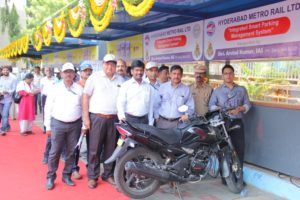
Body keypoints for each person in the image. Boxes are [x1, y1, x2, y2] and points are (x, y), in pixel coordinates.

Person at [83, 54, 124, 189]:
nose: (110, 66)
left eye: (112, 64)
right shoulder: (94, 78)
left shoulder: (121, 80)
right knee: (94, 149)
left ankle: (107, 174)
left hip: (113, 119)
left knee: (111, 149)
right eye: (107, 63)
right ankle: (92, 176)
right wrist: (86, 118)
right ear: (103, 64)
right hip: (97, 118)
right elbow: (85, 97)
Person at [44, 62, 83, 190]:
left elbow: (83, 108)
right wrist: (47, 126)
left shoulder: (79, 89)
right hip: (58, 124)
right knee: (55, 151)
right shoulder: (55, 88)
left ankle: (67, 175)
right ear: (61, 74)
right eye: (66, 72)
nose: (68, 74)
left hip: (75, 125)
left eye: (71, 72)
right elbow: (48, 107)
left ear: (74, 74)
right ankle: (51, 176)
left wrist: (83, 125)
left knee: (72, 152)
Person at [209, 64, 251, 168]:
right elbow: (211, 106)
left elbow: (247, 104)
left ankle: (239, 175)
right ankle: (226, 176)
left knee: (239, 148)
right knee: (224, 149)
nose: (228, 76)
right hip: (223, 124)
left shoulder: (241, 89)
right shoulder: (217, 91)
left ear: (233, 75)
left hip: (237, 122)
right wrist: (222, 111)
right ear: (222, 76)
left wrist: (240, 109)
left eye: (230, 73)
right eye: (225, 74)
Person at [72, 62, 93, 180]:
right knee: (77, 145)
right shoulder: (77, 86)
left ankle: (91, 167)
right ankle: (74, 168)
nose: (88, 72)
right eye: (85, 70)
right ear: (80, 73)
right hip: (78, 119)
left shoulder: (94, 85)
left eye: (90, 70)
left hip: (93, 118)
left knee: (92, 145)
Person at [156, 65, 194, 129]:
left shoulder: (186, 89)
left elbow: (190, 106)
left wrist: (187, 115)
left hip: (178, 123)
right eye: (174, 74)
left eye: (178, 74)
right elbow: (156, 103)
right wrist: (156, 116)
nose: (176, 76)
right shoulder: (163, 87)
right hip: (162, 121)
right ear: (170, 74)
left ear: (181, 75)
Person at [117, 60, 153, 125]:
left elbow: (150, 107)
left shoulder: (148, 87)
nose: (139, 72)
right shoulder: (125, 85)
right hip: (129, 120)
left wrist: (150, 123)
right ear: (132, 71)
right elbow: (120, 103)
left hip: (144, 120)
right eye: (137, 70)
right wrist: (122, 117)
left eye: (141, 70)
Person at [41, 67, 59, 164]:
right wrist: (47, 125)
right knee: (50, 137)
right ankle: (46, 156)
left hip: (63, 117)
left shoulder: (56, 81)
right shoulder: (43, 80)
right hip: (49, 104)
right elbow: (48, 109)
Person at [0, 66, 17, 136]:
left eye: (6, 70)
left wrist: (8, 92)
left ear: (9, 71)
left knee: (4, 114)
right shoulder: (0, 78)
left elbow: (14, 89)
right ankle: (7, 126)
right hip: (0, 98)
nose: (5, 71)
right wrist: (1, 92)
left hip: (8, 99)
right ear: (2, 71)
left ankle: (3, 129)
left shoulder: (13, 79)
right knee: (2, 114)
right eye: (4, 70)